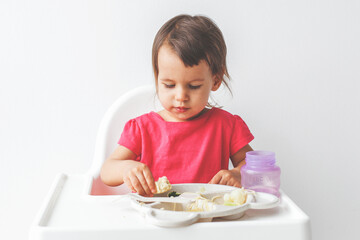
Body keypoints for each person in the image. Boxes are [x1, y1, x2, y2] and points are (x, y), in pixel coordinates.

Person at [100, 14, 254, 196]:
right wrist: (126, 168)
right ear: (157, 79)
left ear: (215, 80)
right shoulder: (142, 129)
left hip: (210, 220)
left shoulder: (227, 126)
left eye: (194, 86)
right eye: (169, 85)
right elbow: (107, 171)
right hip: (155, 219)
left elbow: (255, 166)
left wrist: (238, 174)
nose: (181, 96)